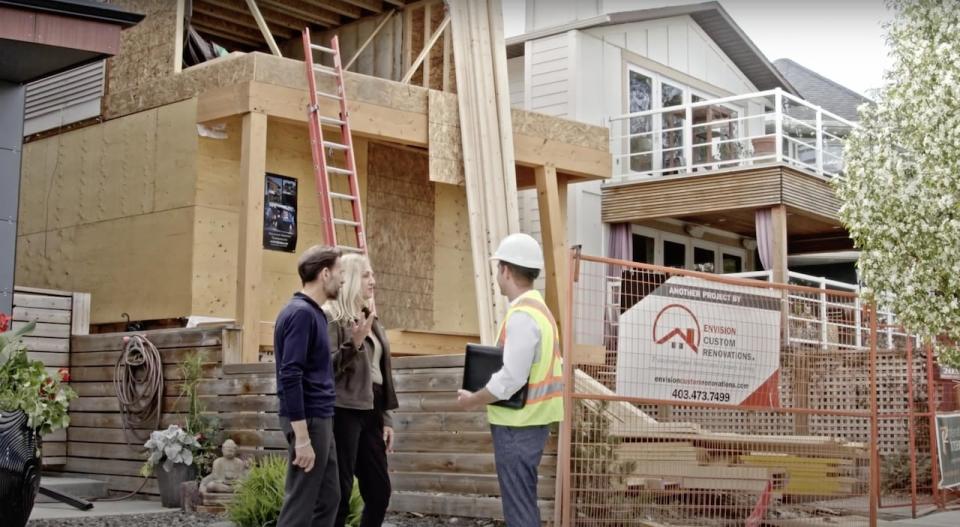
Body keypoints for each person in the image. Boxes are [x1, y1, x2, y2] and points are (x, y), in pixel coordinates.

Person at [456, 233, 564, 527]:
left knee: (518, 508)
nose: (496, 276)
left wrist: (473, 400)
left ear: (506, 270)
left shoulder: (523, 316)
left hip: (518, 425)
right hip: (530, 422)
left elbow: (510, 379)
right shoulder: (540, 312)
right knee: (523, 501)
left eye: (498, 269)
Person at [324, 253, 399, 527]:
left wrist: (386, 418)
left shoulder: (371, 318)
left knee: (380, 492)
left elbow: (382, 372)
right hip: (344, 410)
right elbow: (325, 369)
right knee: (340, 493)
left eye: (373, 275)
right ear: (353, 278)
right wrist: (353, 343)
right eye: (367, 275)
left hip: (373, 408)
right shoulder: (332, 319)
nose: (373, 281)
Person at [274, 245, 344, 527]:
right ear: (325, 273)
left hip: (321, 417)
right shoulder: (301, 314)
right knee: (300, 503)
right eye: (340, 273)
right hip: (309, 420)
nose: (343, 280)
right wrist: (302, 438)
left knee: (329, 497)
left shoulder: (314, 313)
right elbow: (289, 375)